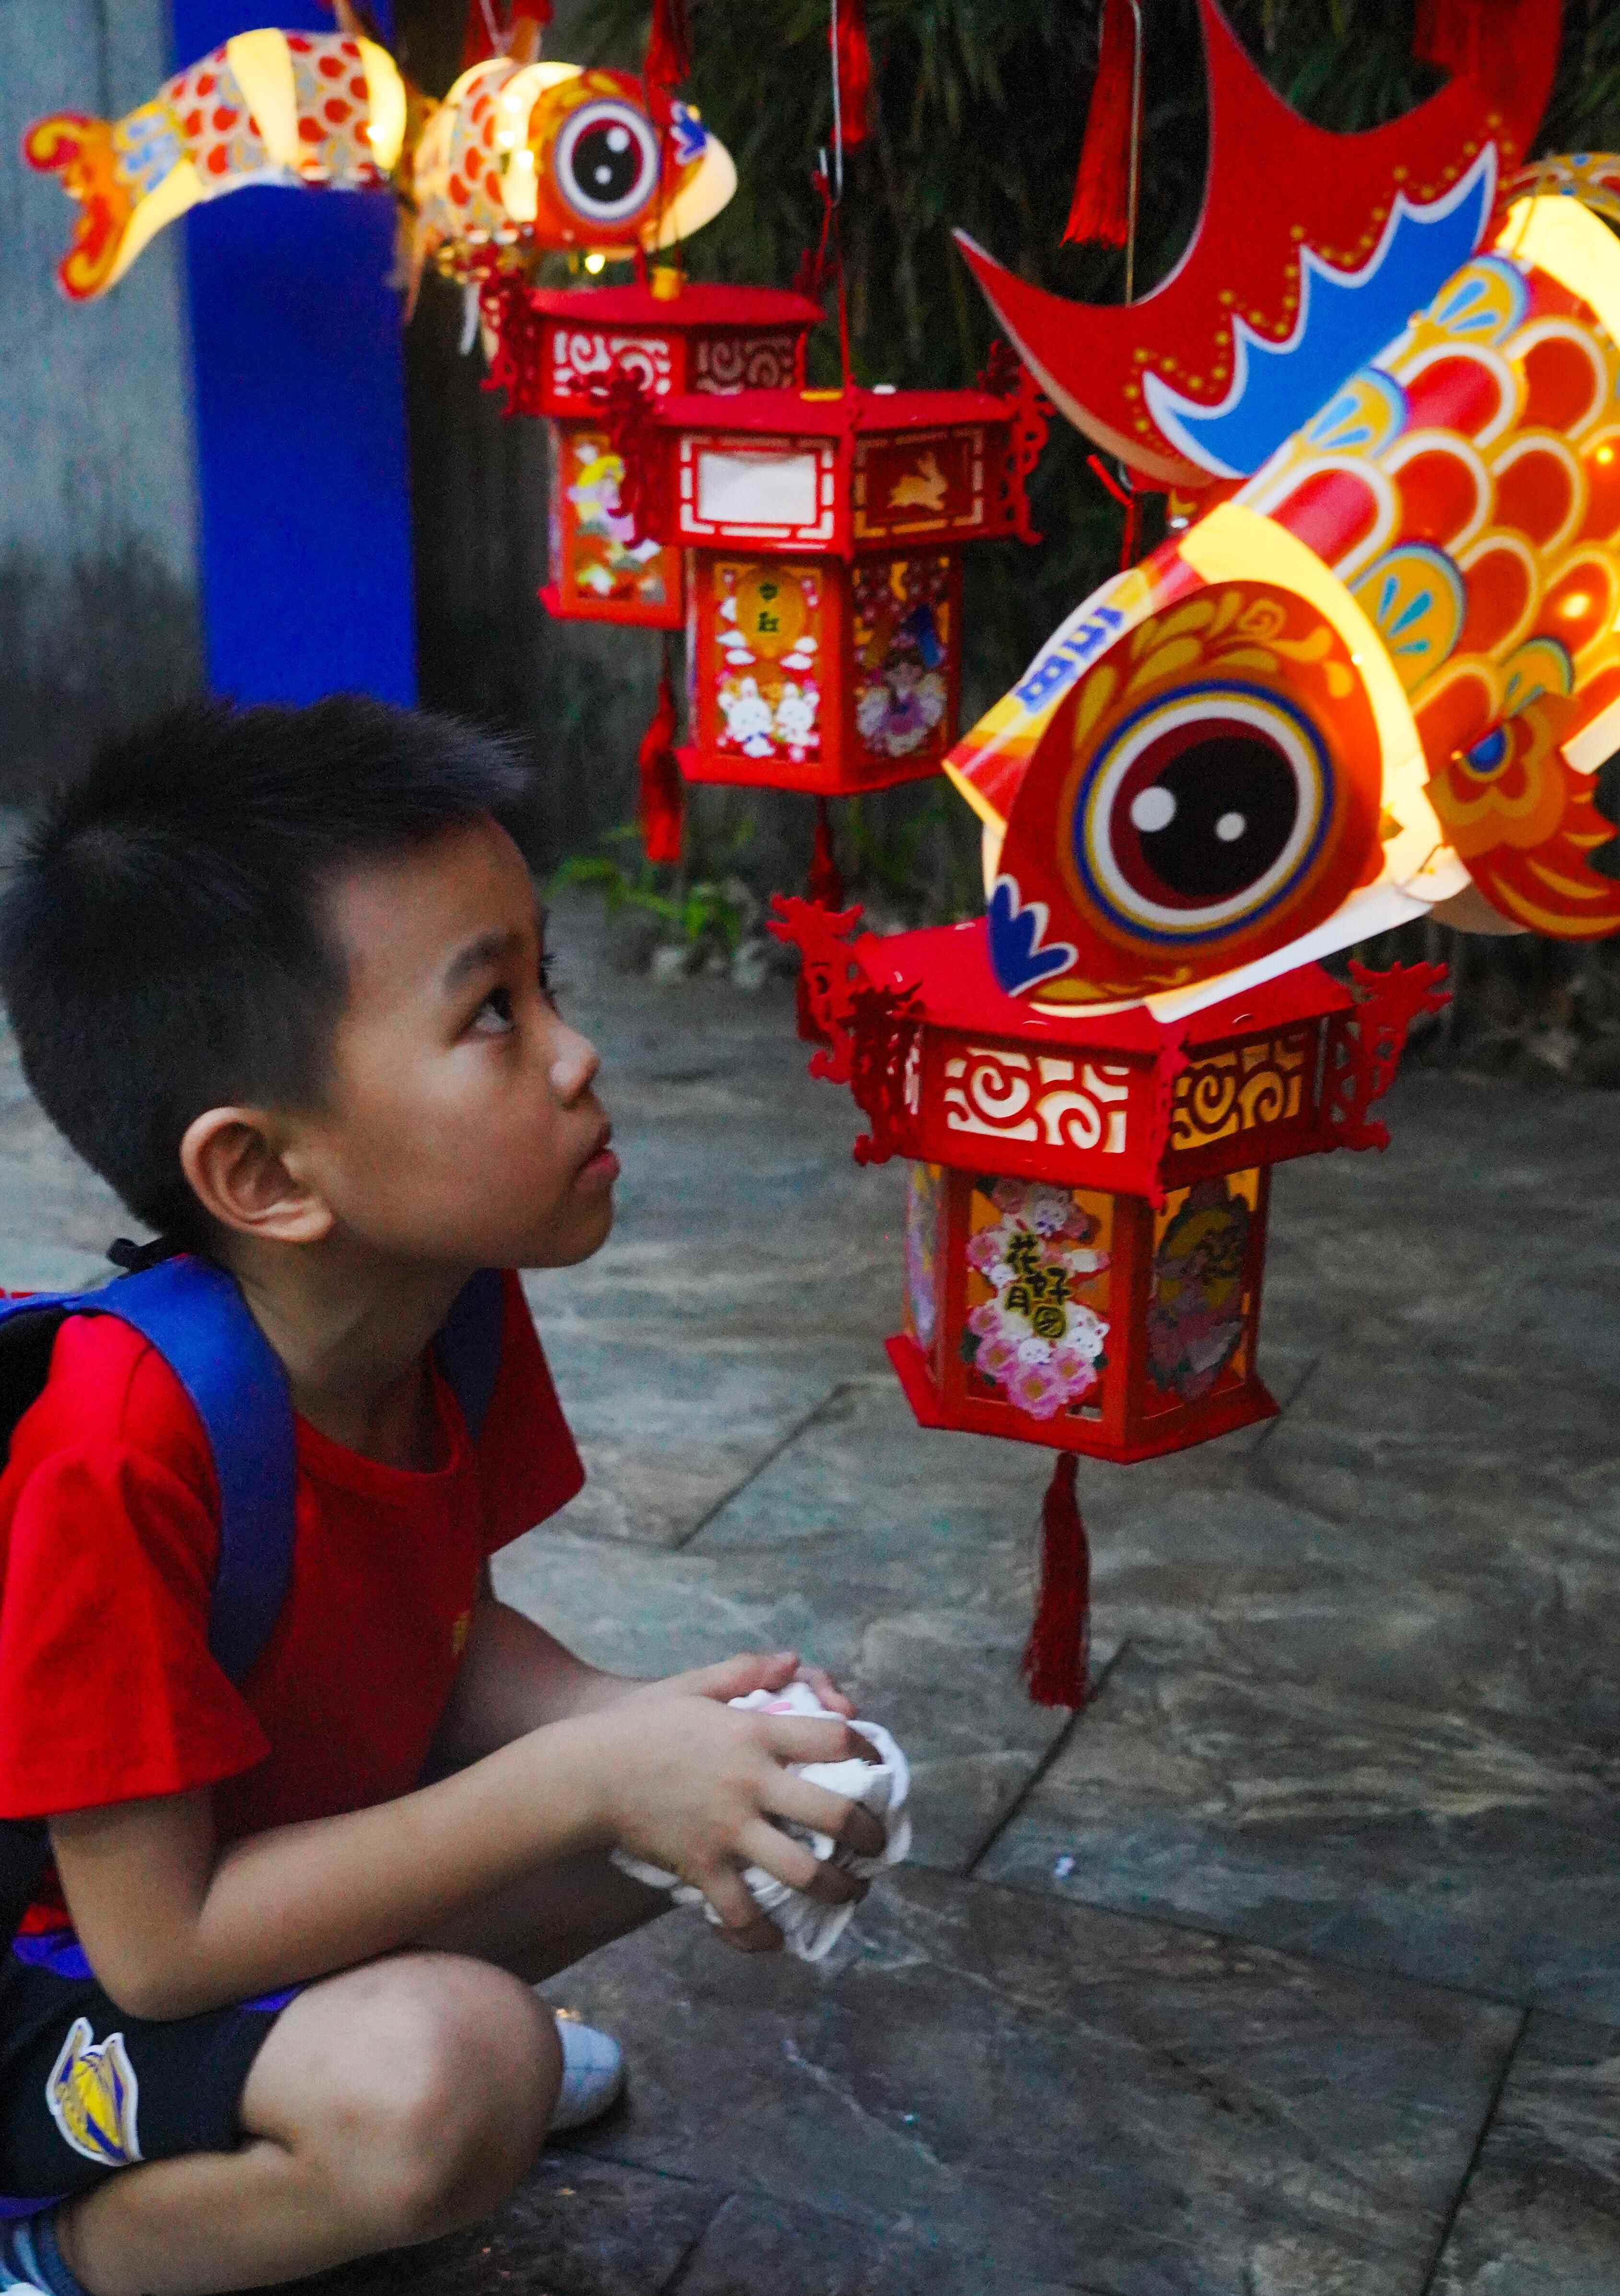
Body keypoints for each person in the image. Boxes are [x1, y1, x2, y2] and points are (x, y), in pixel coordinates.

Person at [0, 699, 881, 2296]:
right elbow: (161, 1943)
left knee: (702, 1800)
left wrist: (649, 1726)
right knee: (446, 2079)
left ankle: (317, 2052)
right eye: (491, 1013)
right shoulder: (115, 1449)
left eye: (551, 982)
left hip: (226, 1898)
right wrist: (581, 1777)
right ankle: (57, 2249)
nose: (575, 1052)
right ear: (266, 1173)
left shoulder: (449, 1305)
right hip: (54, 1975)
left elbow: (440, 1634)